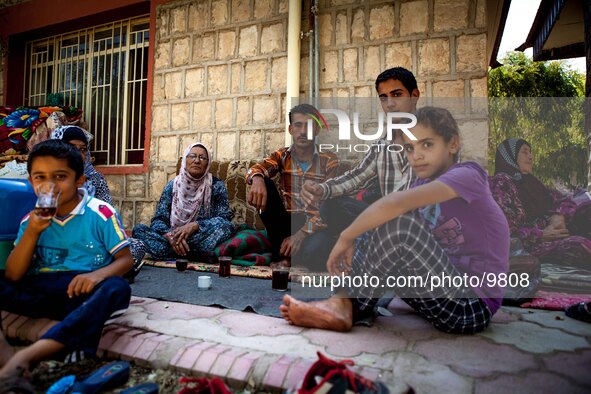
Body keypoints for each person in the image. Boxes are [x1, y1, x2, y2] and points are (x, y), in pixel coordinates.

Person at [280, 107, 510, 334]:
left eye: (427, 145)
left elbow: (395, 204)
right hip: (437, 293)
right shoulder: (421, 184)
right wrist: (363, 241)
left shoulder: (469, 175)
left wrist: (346, 236)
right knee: (380, 224)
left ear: (452, 144)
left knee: (398, 225)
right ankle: (341, 301)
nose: (416, 156)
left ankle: (345, 306)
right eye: (409, 148)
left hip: (469, 304)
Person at [0, 139, 132, 380]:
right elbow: (13, 275)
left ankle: (27, 357)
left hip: (80, 293)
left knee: (117, 288)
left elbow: (125, 260)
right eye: (40, 178)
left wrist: (96, 276)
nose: (49, 185)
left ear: (79, 180)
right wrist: (32, 231)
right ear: (30, 182)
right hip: (41, 289)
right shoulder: (29, 220)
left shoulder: (100, 213)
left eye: (60, 177)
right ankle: (7, 358)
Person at [299, 67, 419, 265]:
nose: (390, 103)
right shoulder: (383, 144)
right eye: (383, 97)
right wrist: (322, 189)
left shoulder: (435, 137)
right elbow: (357, 175)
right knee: (330, 208)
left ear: (414, 96)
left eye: (397, 94)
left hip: (418, 227)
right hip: (385, 226)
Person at [246, 104, 339, 267]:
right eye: (298, 125)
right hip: (284, 225)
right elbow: (256, 168)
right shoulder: (282, 156)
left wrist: (300, 236)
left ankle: (290, 253)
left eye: (309, 126)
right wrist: (258, 178)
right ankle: (284, 253)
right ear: (290, 129)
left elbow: (330, 206)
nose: (303, 131)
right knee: (263, 182)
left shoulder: (329, 160)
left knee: (317, 256)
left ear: (316, 130)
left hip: (313, 224)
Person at [489, 138, 591, 267]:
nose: (530, 156)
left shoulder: (532, 182)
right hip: (531, 246)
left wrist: (559, 215)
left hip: (557, 233)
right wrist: (540, 235)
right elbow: (505, 230)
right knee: (578, 246)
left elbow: (562, 199)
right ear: (510, 157)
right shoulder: (500, 184)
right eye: (524, 152)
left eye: (530, 152)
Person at [132, 143, 235, 260]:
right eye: (192, 156)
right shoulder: (172, 186)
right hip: (172, 236)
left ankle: (172, 252)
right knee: (138, 230)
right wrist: (172, 236)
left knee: (227, 228)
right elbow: (159, 219)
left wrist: (195, 225)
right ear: (185, 160)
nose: (197, 161)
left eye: (202, 158)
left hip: (200, 234)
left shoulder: (216, 185)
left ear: (208, 163)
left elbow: (224, 218)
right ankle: (194, 254)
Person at [51, 125, 113, 205]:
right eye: (71, 147)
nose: (78, 154)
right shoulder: (45, 177)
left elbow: (107, 213)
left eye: (83, 149)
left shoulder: (95, 179)